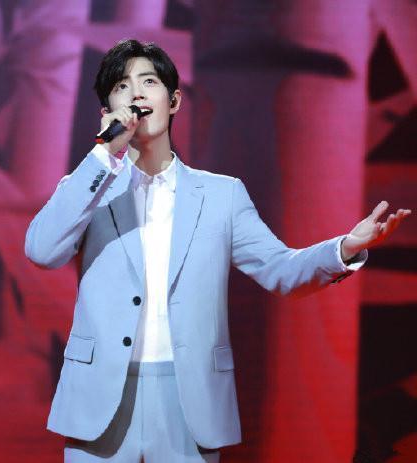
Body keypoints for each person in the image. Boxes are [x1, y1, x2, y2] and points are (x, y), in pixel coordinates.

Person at [24, 39, 412, 463]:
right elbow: (42, 251)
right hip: (99, 397)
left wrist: (346, 248)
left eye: (148, 82)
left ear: (174, 101)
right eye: (121, 86)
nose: (135, 94)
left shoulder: (222, 195)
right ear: (107, 111)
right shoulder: (87, 188)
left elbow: (279, 269)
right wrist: (103, 155)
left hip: (189, 400)